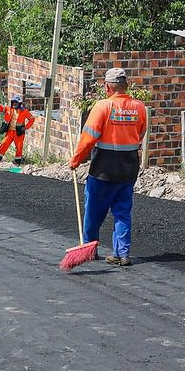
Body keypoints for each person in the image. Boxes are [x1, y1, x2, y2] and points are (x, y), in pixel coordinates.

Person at [69, 68, 147, 267]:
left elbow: (88, 138)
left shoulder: (103, 106)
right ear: (126, 86)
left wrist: (76, 160)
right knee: (122, 212)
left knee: (93, 211)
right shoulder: (140, 108)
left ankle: (89, 248)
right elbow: (140, 136)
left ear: (107, 87)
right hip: (128, 169)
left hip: (104, 169)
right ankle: (122, 254)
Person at [0, 95, 35, 165]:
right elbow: (2, 108)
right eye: (13, 102)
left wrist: (26, 127)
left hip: (19, 132)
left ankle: (18, 160)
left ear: (19, 104)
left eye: (16, 103)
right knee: (4, 143)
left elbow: (32, 119)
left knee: (19, 146)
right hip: (10, 131)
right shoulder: (9, 109)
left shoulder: (24, 111)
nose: (14, 104)